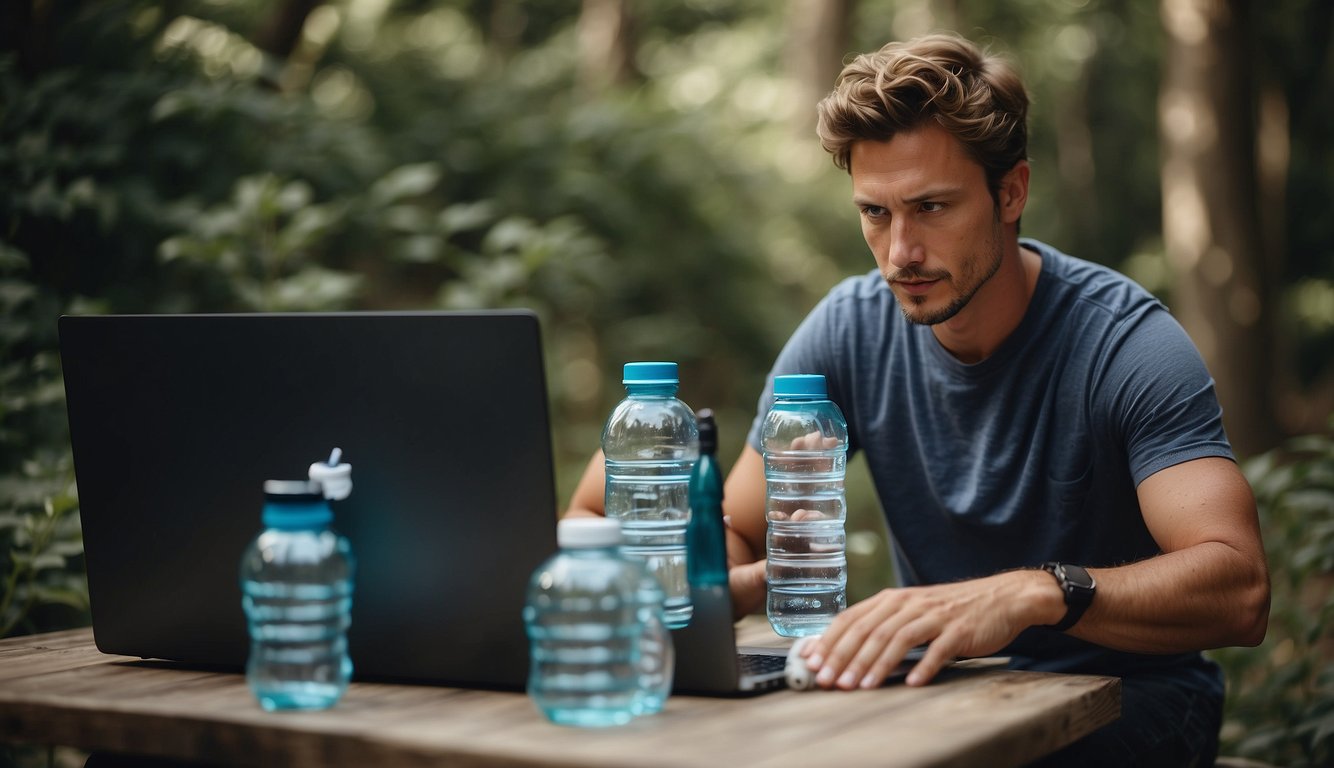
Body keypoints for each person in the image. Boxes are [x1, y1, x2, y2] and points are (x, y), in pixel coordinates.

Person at [566, 33, 1269, 765]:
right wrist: (733, 577)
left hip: (1131, 700)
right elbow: (739, 528)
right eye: (875, 213)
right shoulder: (848, 328)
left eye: (931, 207)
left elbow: (1239, 587)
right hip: (947, 695)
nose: (900, 251)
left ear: (1011, 192)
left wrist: (1037, 592)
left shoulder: (1125, 344)